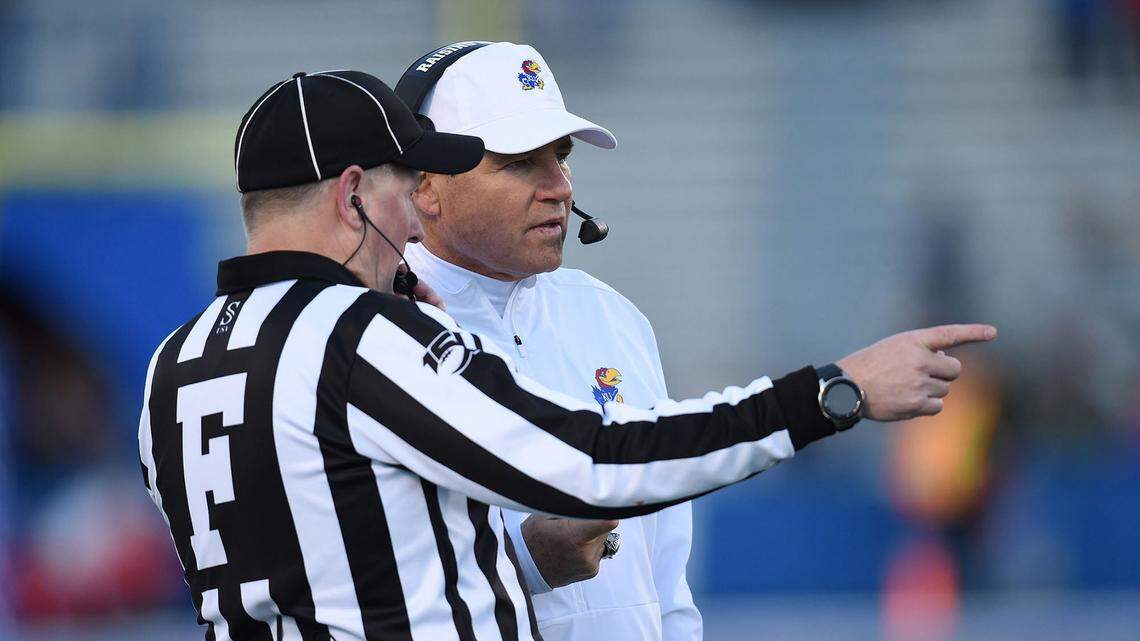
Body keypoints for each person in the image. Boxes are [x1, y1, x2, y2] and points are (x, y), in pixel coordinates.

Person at [137, 69, 995, 641]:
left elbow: (340, 573)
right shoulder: (358, 337)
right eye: (404, 189)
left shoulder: (171, 366)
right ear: (354, 192)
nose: (410, 224)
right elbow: (592, 458)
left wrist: (525, 563)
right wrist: (830, 393)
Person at [396, 41, 697, 641]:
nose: (559, 186)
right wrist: (524, 563)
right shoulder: (373, 329)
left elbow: (665, 579)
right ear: (426, 185)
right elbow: (350, 581)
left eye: (560, 157)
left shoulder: (615, 319)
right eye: (519, 162)